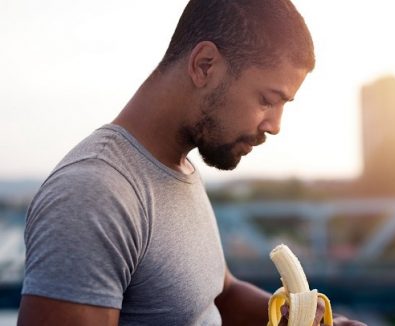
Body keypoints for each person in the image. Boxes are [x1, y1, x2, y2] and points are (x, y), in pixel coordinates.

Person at [18, 0, 366, 325]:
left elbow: (220, 294)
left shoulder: (180, 169)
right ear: (205, 65)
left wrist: (295, 318)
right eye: (267, 100)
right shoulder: (93, 195)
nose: (274, 126)